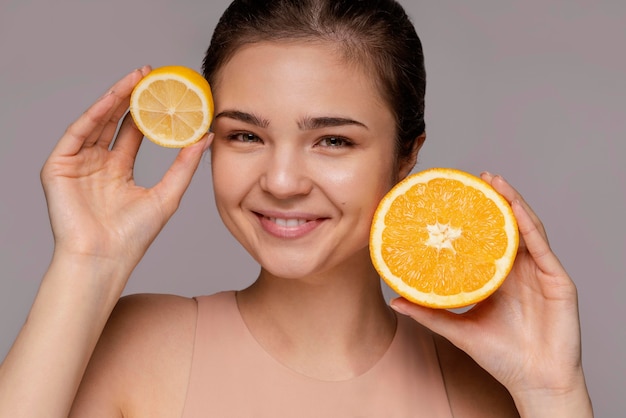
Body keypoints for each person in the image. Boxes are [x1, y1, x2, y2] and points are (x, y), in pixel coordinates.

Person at [0, 0, 593, 416]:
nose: (281, 181)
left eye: (333, 140)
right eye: (245, 136)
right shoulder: (136, 347)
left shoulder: (489, 388)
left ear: (406, 155)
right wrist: (87, 261)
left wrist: (552, 393)